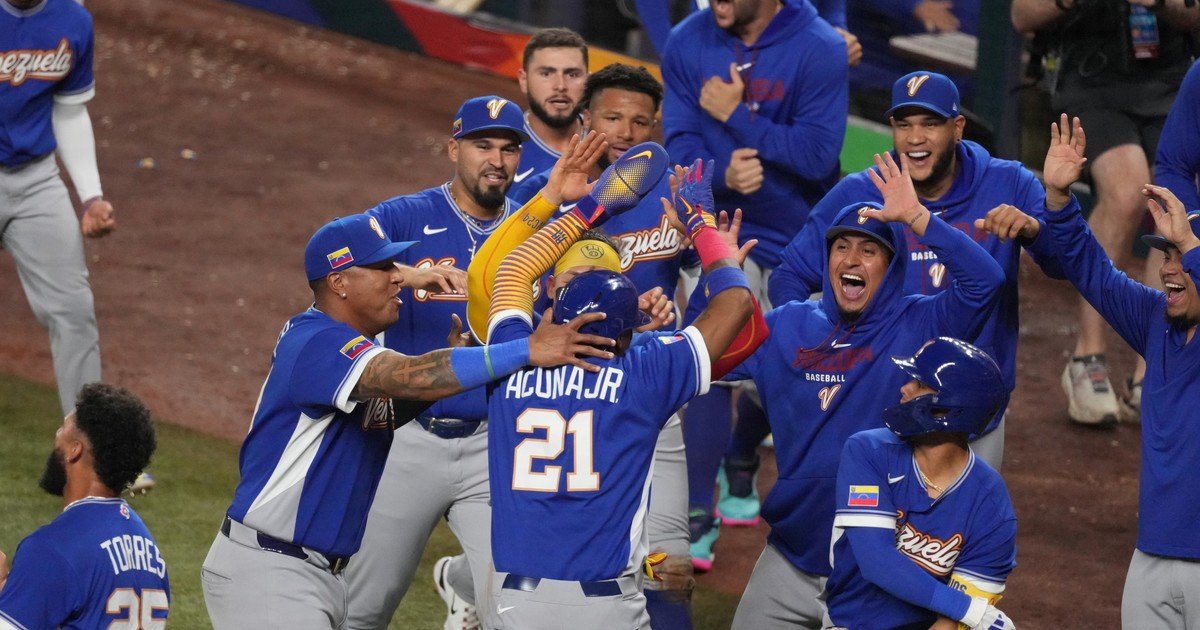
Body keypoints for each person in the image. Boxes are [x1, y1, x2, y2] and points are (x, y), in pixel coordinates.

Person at [200, 213, 614, 628]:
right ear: (340, 282)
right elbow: (404, 376)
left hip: (312, 573)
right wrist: (525, 349)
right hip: (270, 571)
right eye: (382, 268)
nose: (398, 278)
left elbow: (389, 408)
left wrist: (443, 380)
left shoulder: (338, 345)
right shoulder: (317, 342)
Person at [479, 137, 763, 630]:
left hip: (515, 603)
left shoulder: (511, 356)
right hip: (606, 606)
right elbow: (736, 305)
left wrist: (588, 208)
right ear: (630, 325)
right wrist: (700, 229)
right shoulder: (647, 372)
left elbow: (513, 269)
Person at [716, 150, 1005, 628]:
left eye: (869, 250)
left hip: (877, 571)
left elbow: (985, 282)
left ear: (891, 267)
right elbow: (700, 358)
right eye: (841, 247)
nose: (851, 259)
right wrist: (719, 275)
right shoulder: (788, 326)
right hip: (790, 556)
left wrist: (916, 217)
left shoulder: (920, 320)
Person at [771, 70, 1064, 470]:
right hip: (878, 403)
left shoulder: (1008, 184)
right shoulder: (860, 191)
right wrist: (813, 347)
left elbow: (1063, 263)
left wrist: (1038, 229)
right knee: (863, 526)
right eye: (903, 124)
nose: (914, 138)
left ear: (957, 127)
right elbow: (790, 273)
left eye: (930, 123)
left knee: (959, 531)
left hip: (972, 408)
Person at [660, 0, 851, 572]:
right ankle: (698, 511)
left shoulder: (818, 46)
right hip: (717, 228)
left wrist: (741, 116)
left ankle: (742, 451)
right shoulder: (687, 40)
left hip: (797, 233)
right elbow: (679, 140)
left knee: (794, 366)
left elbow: (820, 156)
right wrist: (721, 176)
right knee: (709, 364)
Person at [508, 63, 701, 628]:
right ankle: (467, 582)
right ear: (584, 118)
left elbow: (705, 274)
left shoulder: (674, 191)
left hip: (647, 388)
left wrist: (678, 319)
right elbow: (509, 284)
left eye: (640, 121)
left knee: (671, 564)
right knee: (559, 545)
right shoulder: (544, 192)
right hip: (562, 391)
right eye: (612, 117)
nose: (625, 131)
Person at [344, 94, 525, 630]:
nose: (496, 159)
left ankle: (465, 585)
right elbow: (332, 267)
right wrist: (403, 273)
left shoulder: (535, 234)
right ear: (454, 149)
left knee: (513, 613)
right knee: (363, 610)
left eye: (509, 149)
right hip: (407, 440)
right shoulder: (405, 216)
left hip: (494, 450)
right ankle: (462, 583)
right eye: (482, 145)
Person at [1040, 112, 1200, 629]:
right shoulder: (1157, 320)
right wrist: (1061, 202)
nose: (1169, 271)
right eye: (1166, 257)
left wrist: (1194, 248)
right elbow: (1093, 272)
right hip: (1150, 559)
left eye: (1181, 258)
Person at [1012, 0, 1198, 428]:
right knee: (1127, 192)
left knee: (1175, 205)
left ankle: (1151, 370)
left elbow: (1194, 16)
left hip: (1169, 82)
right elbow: (1022, 15)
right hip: (1089, 82)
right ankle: (1087, 357)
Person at [823, 338, 1017, 630]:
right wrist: (970, 610)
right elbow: (877, 561)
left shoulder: (991, 505)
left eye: (920, 384)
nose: (905, 388)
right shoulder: (869, 452)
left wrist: (963, 612)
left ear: (950, 409)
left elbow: (949, 624)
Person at [0, 0, 116, 416]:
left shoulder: (72, 20)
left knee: (73, 312)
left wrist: (91, 195)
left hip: (36, 181)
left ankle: (90, 447)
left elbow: (69, 112)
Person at [0, 383, 168, 627]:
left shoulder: (52, 548)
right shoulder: (151, 552)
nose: (55, 438)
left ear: (74, 451)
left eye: (61, 431)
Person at [513, 27, 588, 185]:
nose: (560, 86)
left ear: (588, 81)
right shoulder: (501, 149)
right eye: (546, 74)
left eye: (572, 74)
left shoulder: (609, 146)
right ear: (524, 80)